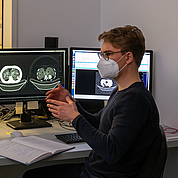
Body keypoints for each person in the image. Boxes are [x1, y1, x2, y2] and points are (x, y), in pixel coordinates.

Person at [23, 25, 159, 178]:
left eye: (108, 54)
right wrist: (72, 103)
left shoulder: (135, 100)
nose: (102, 61)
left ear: (128, 57)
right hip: (94, 171)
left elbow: (111, 152)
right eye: (101, 55)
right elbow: (98, 123)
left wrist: (74, 118)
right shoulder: (122, 91)